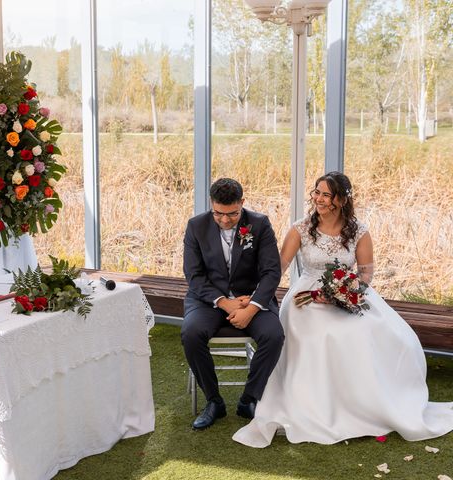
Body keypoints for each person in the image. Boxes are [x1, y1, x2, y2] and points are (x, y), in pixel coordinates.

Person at [233, 171, 453, 447]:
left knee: (374, 332)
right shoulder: (300, 228)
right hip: (306, 297)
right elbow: (277, 269)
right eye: (317, 192)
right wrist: (254, 296)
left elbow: (365, 276)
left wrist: (341, 292)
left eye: (326, 194)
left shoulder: (359, 231)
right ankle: (316, 404)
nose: (319, 199)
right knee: (321, 334)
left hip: (347, 293)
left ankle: (364, 402)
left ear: (341, 200)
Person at [181, 178, 284, 430]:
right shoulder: (196, 226)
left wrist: (251, 308)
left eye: (232, 214)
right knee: (191, 333)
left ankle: (249, 399)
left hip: (251, 299)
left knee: (274, 335)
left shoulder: (260, 224)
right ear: (211, 205)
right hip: (208, 300)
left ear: (242, 203)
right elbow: (193, 275)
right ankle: (213, 401)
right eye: (219, 213)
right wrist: (224, 303)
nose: (225, 220)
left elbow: (272, 272)